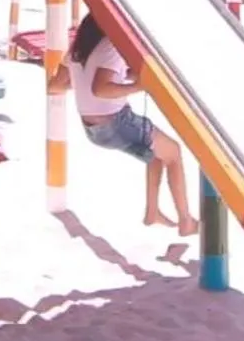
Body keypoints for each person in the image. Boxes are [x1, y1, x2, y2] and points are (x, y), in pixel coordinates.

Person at [48, 14, 197, 234]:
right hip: (115, 123)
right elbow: (100, 88)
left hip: (92, 128)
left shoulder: (77, 50)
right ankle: (186, 221)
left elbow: (54, 86)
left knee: (156, 152)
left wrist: (85, 83)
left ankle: (152, 212)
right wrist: (140, 86)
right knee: (173, 152)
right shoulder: (112, 44)